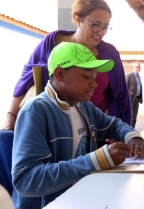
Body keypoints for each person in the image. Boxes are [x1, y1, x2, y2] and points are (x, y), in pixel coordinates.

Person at [11, 42, 144, 209]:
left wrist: (133, 137)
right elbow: (27, 180)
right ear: (60, 74)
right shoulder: (36, 112)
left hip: (78, 206)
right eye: (86, 76)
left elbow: (113, 124)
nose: (94, 83)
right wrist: (96, 160)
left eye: (95, 77)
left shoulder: (83, 106)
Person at [2, 0, 131, 131]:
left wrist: (117, 128)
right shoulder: (53, 42)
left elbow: (120, 96)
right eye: (96, 25)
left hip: (95, 129)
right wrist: (11, 117)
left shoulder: (110, 54)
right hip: (54, 127)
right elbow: (26, 79)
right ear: (78, 19)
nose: (101, 32)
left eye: (105, 26)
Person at [126, 62, 142, 128]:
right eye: (137, 67)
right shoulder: (129, 75)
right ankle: (130, 131)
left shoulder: (138, 77)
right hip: (131, 99)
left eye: (139, 67)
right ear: (133, 67)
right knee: (131, 116)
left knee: (135, 116)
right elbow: (125, 87)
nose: (138, 68)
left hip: (137, 99)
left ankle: (133, 129)